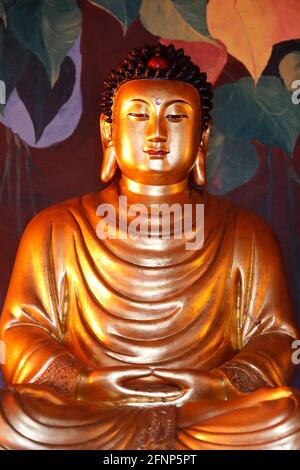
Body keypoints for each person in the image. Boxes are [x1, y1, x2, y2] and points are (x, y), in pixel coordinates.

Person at [0, 43, 299, 450]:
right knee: (15, 417)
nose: (157, 133)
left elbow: (279, 339)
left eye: (176, 116)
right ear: (109, 130)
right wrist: (85, 381)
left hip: (205, 410)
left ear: (202, 136)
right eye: (138, 114)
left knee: (288, 420)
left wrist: (219, 384)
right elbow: (20, 332)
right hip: (95, 409)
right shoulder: (56, 229)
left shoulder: (246, 233)